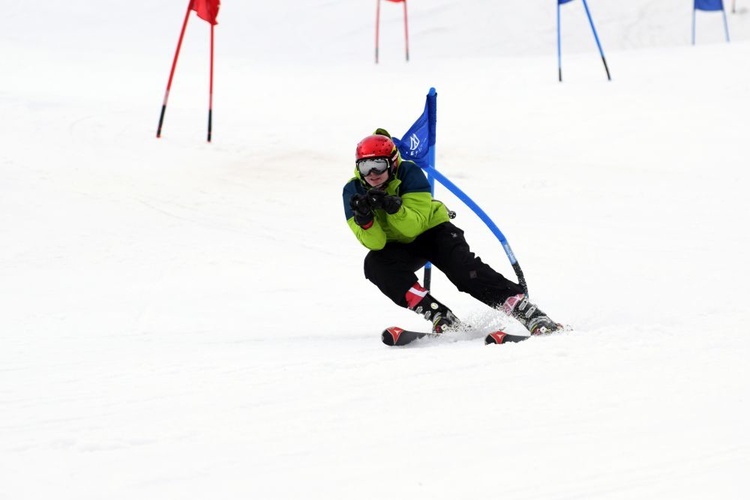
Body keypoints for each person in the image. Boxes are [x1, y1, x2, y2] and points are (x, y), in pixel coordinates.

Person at [342, 128, 561, 335]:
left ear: (392, 163)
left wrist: (393, 207)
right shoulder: (352, 191)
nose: (372, 174)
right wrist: (365, 220)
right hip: (399, 245)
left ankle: (527, 311)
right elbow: (376, 243)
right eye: (365, 166)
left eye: (378, 165)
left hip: (433, 232)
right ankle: (440, 315)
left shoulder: (410, 173)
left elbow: (413, 227)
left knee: (462, 270)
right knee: (375, 264)